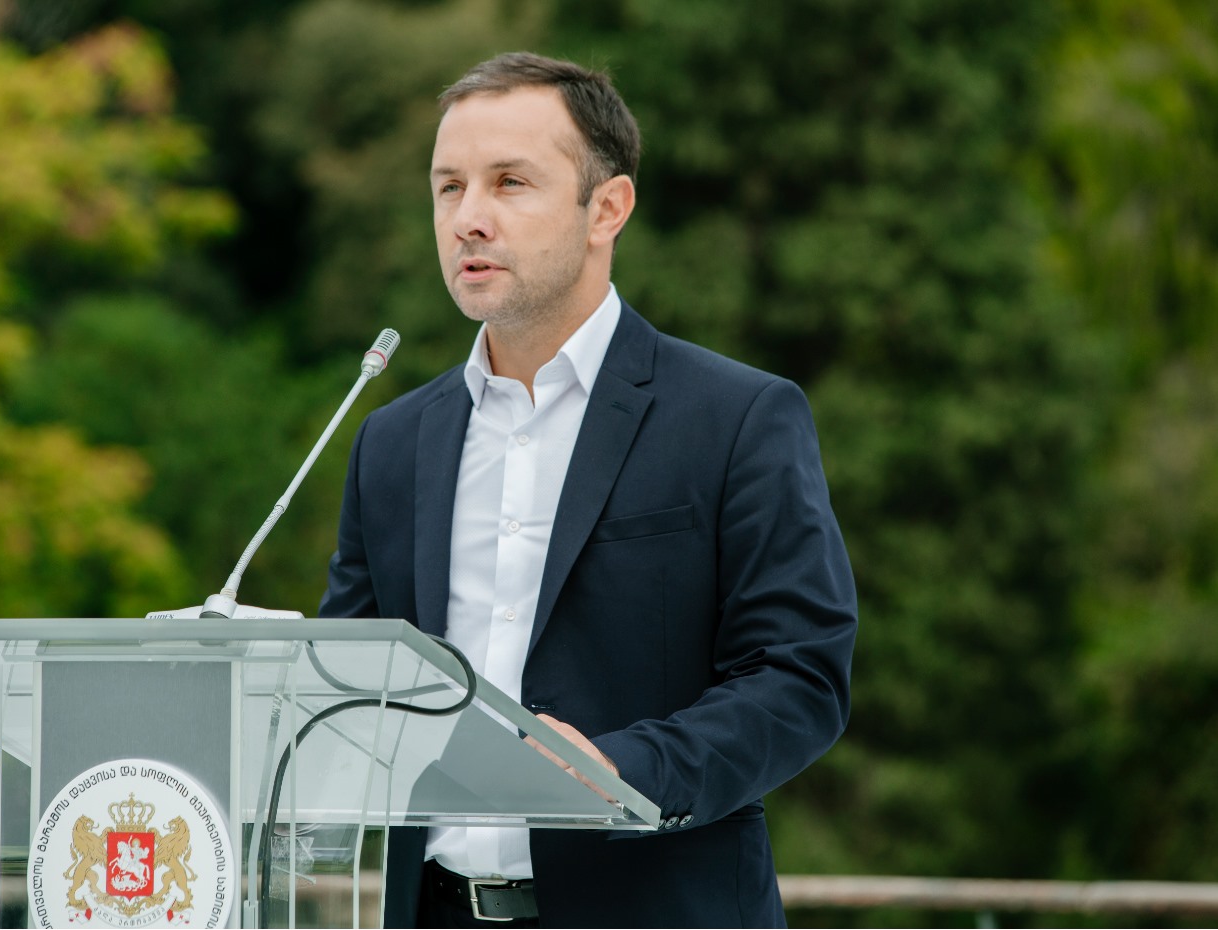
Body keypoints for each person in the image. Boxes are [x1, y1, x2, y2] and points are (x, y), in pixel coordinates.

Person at [319, 51, 857, 928]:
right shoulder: (392, 442)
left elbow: (800, 679)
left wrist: (623, 772)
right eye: (449, 187)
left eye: (510, 183)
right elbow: (345, 686)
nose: (468, 218)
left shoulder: (736, 417)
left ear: (607, 208)